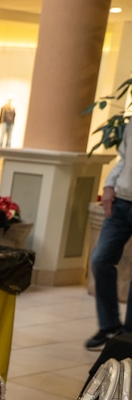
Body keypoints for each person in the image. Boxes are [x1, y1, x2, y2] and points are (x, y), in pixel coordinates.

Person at [89, 123, 132, 349]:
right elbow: (124, 159)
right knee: (101, 260)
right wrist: (108, 186)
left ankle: (128, 336)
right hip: (122, 203)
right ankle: (109, 326)